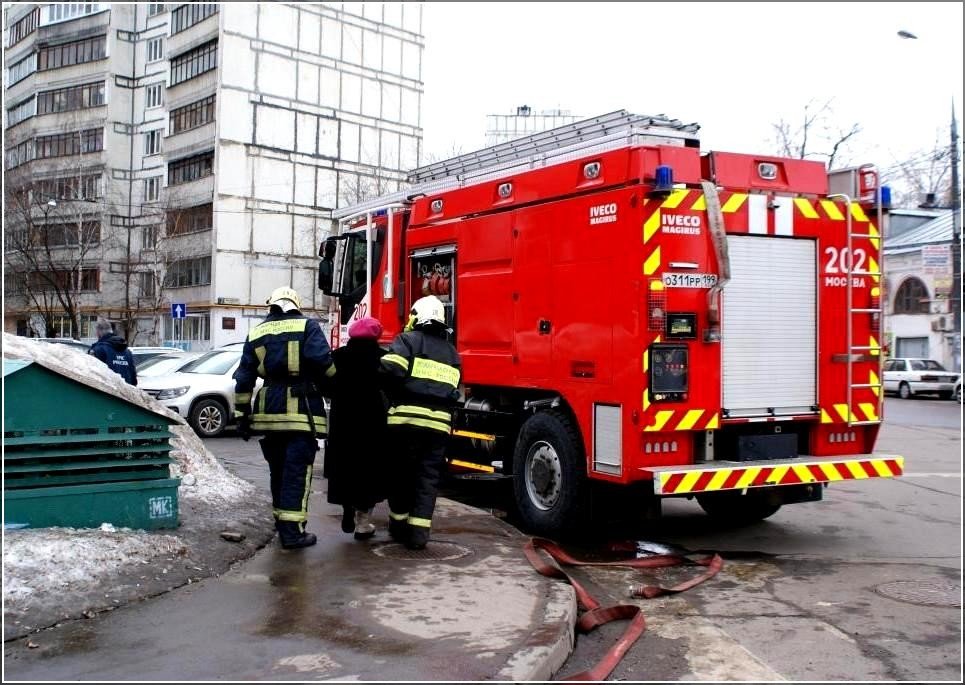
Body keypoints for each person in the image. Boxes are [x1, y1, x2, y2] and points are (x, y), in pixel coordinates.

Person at [233, 286, 336, 550]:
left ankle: (282, 524)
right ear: (295, 305)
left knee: (277, 470)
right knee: (296, 473)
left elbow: (244, 377)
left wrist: (241, 415)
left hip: (268, 410)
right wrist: (335, 387)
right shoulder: (307, 326)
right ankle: (292, 533)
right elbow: (323, 363)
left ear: (272, 305)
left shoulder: (257, 332)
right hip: (300, 411)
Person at [379, 295, 462, 550]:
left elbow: (390, 370)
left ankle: (398, 524)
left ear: (417, 316)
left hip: (405, 421)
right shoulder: (452, 352)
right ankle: (418, 535)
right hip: (438, 426)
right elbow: (455, 390)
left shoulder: (407, 340)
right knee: (428, 479)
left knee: (401, 475)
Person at [323, 316, 388, 541]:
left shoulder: (337, 357)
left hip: (343, 421)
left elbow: (325, 385)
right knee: (369, 470)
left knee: (345, 466)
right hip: (372, 423)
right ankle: (363, 522)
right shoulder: (382, 359)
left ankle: (347, 510)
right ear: (376, 336)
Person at [89, 319, 137, 386]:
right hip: (125, 394)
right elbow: (133, 378)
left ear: (99, 332)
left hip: (105, 393)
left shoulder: (98, 350)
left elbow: (90, 375)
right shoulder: (127, 352)